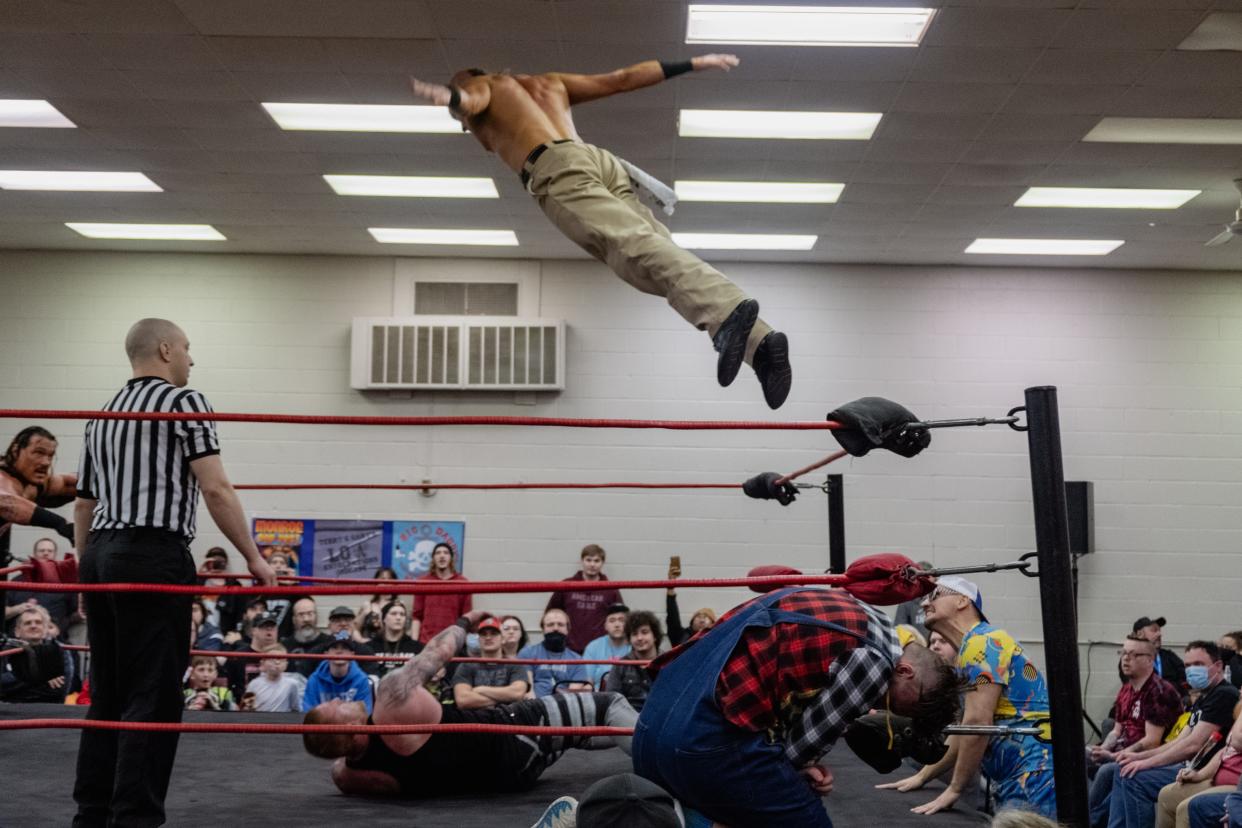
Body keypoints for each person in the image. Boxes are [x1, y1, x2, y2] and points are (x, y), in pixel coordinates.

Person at [409, 55, 793, 409]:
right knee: (649, 254)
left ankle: (729, 313)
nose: (465, 129)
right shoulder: (548, 83)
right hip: (599, 161)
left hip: (556, 167)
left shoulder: (484, 86)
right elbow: (622, 79)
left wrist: (451, 97)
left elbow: (471, 100)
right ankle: (760, 343)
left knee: (634, 249)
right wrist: (694, 63)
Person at [71, 317, 277, 828]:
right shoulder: (185, 401)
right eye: (187, 348)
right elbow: (215, 489)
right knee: (154, 692)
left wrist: (83, 573)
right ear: (165, 349)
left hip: (100, 552)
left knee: (109, 688)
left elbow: (83, 503)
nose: (191, 358)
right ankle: (134, 818)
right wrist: (253, 557)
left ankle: (92, 813)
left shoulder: (101, 414)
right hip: (151, 552)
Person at [632, 586, 961, 828]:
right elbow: (798, 751)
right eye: (909, 707)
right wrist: (799, 772)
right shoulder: (875, 665)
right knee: (807, 819)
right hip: (699, 742)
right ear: (905, 671)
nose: (896, 713)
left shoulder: (863, 611)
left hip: (650, 727)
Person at [301, 610, 638, 798]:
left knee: (579, 729)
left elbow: (339, 768)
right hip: (516, 734)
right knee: (610, 703)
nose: (337, 699)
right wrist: (464, 622)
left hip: (507, 781)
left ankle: (646, 736)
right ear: (347, 726)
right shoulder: (390, 701)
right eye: (334, 706)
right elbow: (439, 652)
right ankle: (661, 754)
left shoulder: (351, 775)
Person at [878, 576, 1056, 818]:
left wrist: (955, 788)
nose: (924, 605)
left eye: (935, 596)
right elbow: (964, 730)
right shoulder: (970, 649)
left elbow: (977, 724)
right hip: (1021, 772)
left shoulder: (983, 643)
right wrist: (923, 776)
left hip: (1034, 773)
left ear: (963, 600)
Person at [1103, 640, 1239, 828]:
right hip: (1186, 766)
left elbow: (1193, 745)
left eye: (1198, 664)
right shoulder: (1203, 697)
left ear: (1217, 666)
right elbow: (1179, 741)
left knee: (1132, 778)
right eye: (1188, 665)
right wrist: (1137, 757)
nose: (1192, 670)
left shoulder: (1224, 694)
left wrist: (1144, 763)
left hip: (1201, 770)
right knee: (1123, 769)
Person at [1088, 635, 1182, 778]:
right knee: (1078, 757)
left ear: (1150, 660)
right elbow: (1116, 731)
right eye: (1124, 653)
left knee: (1105, 772)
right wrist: (1101, 749)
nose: (1126, 658)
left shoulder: (1159, 691)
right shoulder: (1126, 689)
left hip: (1147, 758)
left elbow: (1152, 742)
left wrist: (1114, 756)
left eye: (1134, 655)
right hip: (1122, 752)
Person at [0, 425, 77, 568]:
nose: (46, 462)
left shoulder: (31, 484)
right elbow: (6, 503)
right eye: (38, 453)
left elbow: (68, 484)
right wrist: (61, 523)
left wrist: (107, 485)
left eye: (50, 455)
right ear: (16, 451)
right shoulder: (2, 477)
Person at [1154, 709, 1242, 828]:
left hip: (1235, 786)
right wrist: (1199, 775)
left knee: (1187, 808)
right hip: (1218, 779)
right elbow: (1226, 751)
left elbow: (1238, 740)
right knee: (1167, 795)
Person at [546, 544, 623, 654]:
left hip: (599, 650)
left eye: (597, 561)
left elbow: (621, 618)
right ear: (582, 561)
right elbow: (550, 613)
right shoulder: (566, 585)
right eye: (588, 560)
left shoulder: (611, 589)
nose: (592, 564)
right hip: (568, 648)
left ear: (602, 563)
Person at [5, 536, 78, 637]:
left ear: (55, 555)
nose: (46, 553)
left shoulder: (65, 583)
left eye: (50, 551)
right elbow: (4, 612)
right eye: (41, 550)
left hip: (53, 640)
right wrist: (18, 609)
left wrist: (58, 627)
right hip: (18, 641)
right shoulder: (17, 581)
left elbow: (75, 614)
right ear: (34, 554)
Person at [451, 616, 530, 710]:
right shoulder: (466, 665)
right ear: (479, 639)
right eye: (483, 634)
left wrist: (480, 690)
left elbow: (517, 693)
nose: (488, 637)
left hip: (507, 721)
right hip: (474, 721)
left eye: (494, 633)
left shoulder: (515, 665)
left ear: (503, 639)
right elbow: (463, 700)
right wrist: (505, 698)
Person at [0, 606, 71, 702]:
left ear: (45, 629)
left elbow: (58, 690)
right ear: (17, 631)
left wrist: (17, 681)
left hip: (48, 709)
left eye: (38, 622)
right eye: (27, 623)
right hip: (10, 710)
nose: (33, 626)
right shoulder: (5, 651)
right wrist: (44, 675)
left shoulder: (59, 650)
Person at [518, 608, 590, 697]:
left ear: (567, 629)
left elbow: (572, 696)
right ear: (543, 629)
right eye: (550, 624)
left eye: (560, 624)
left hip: (563, 706)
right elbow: (528, 691)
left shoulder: (578, 661)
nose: (555, 628)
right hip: (535, 705)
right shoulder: (527, 653)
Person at [409, 543, 471, 645]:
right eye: (438, 553)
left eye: (446, 553)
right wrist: (414, 645)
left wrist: (461, 644)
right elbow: (417, 616)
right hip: (426, 642)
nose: (442, 555)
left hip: (451, 643)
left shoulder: (462, 583)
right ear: (433, 558)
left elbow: (466, 618)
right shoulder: (423, 582)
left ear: (451, 558)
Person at [302, 631, 374, 714]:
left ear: (352, 654)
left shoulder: (362, 680)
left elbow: (364, 713)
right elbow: (309, 713)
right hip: (323, 726)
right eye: (334, 647)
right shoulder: (314, 680)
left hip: (350, 726)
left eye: (344, 648)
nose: (339, 651)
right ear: (326, 654)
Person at [606, 610, 662, 711]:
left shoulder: (669, 662)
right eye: (634, 634)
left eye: (644, 632)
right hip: (628, 717)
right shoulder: (620, 665)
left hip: (660, 715)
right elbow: (611, 699)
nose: (639, 638)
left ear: (655, 636)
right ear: (629, 639)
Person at [225, 610, 280, 699]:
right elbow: (228, 687)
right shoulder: (237, 656)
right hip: (244, 706)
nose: (269, 631)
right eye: (264, 627)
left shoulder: (283, 656)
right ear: (253, 630)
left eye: (272, 627)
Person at [1132, 615, 1187, 694]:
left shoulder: (1170, 656)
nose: (1159, 634)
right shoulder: (1130, 660)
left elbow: (1185, 680)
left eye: (1159, 630)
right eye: (1154, 630)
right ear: (1139, 634)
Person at [282, 597, 333, 677]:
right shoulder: (284, 646)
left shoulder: (330, 643)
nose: (306, 619)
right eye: (301, 615)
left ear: (316, 617)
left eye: (310, 614)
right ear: (294, 619)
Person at [582, 603, 630, 687]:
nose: (617, 625)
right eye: (612, 621)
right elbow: (587, 682)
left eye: (622, 620)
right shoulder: (593, 647)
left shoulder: (635, 645)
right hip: (599, 696)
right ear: (605, 626)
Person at [371, 600, 423, 677]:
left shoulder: (418, 647)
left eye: (402, 614)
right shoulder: (369, 646)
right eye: (393, 614)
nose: (398, 618)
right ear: (384, 619)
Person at [245, 644, 301, 713]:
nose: (277, 662)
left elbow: (296, 709)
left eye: (281, 659)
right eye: (272, 658)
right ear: (263, 663)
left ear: (286, 664)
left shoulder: (292, 684)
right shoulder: (254, 684)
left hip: (282, 721)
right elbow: (247, 709)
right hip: (260, 721)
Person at [894, 560, 934, 639]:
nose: (923, 579)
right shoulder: (906, 601)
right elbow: (900, 629)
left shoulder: (941, 597)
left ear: (934, 578)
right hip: (916, 648)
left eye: (927, 575)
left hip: (938, 645)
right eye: (919, 575)